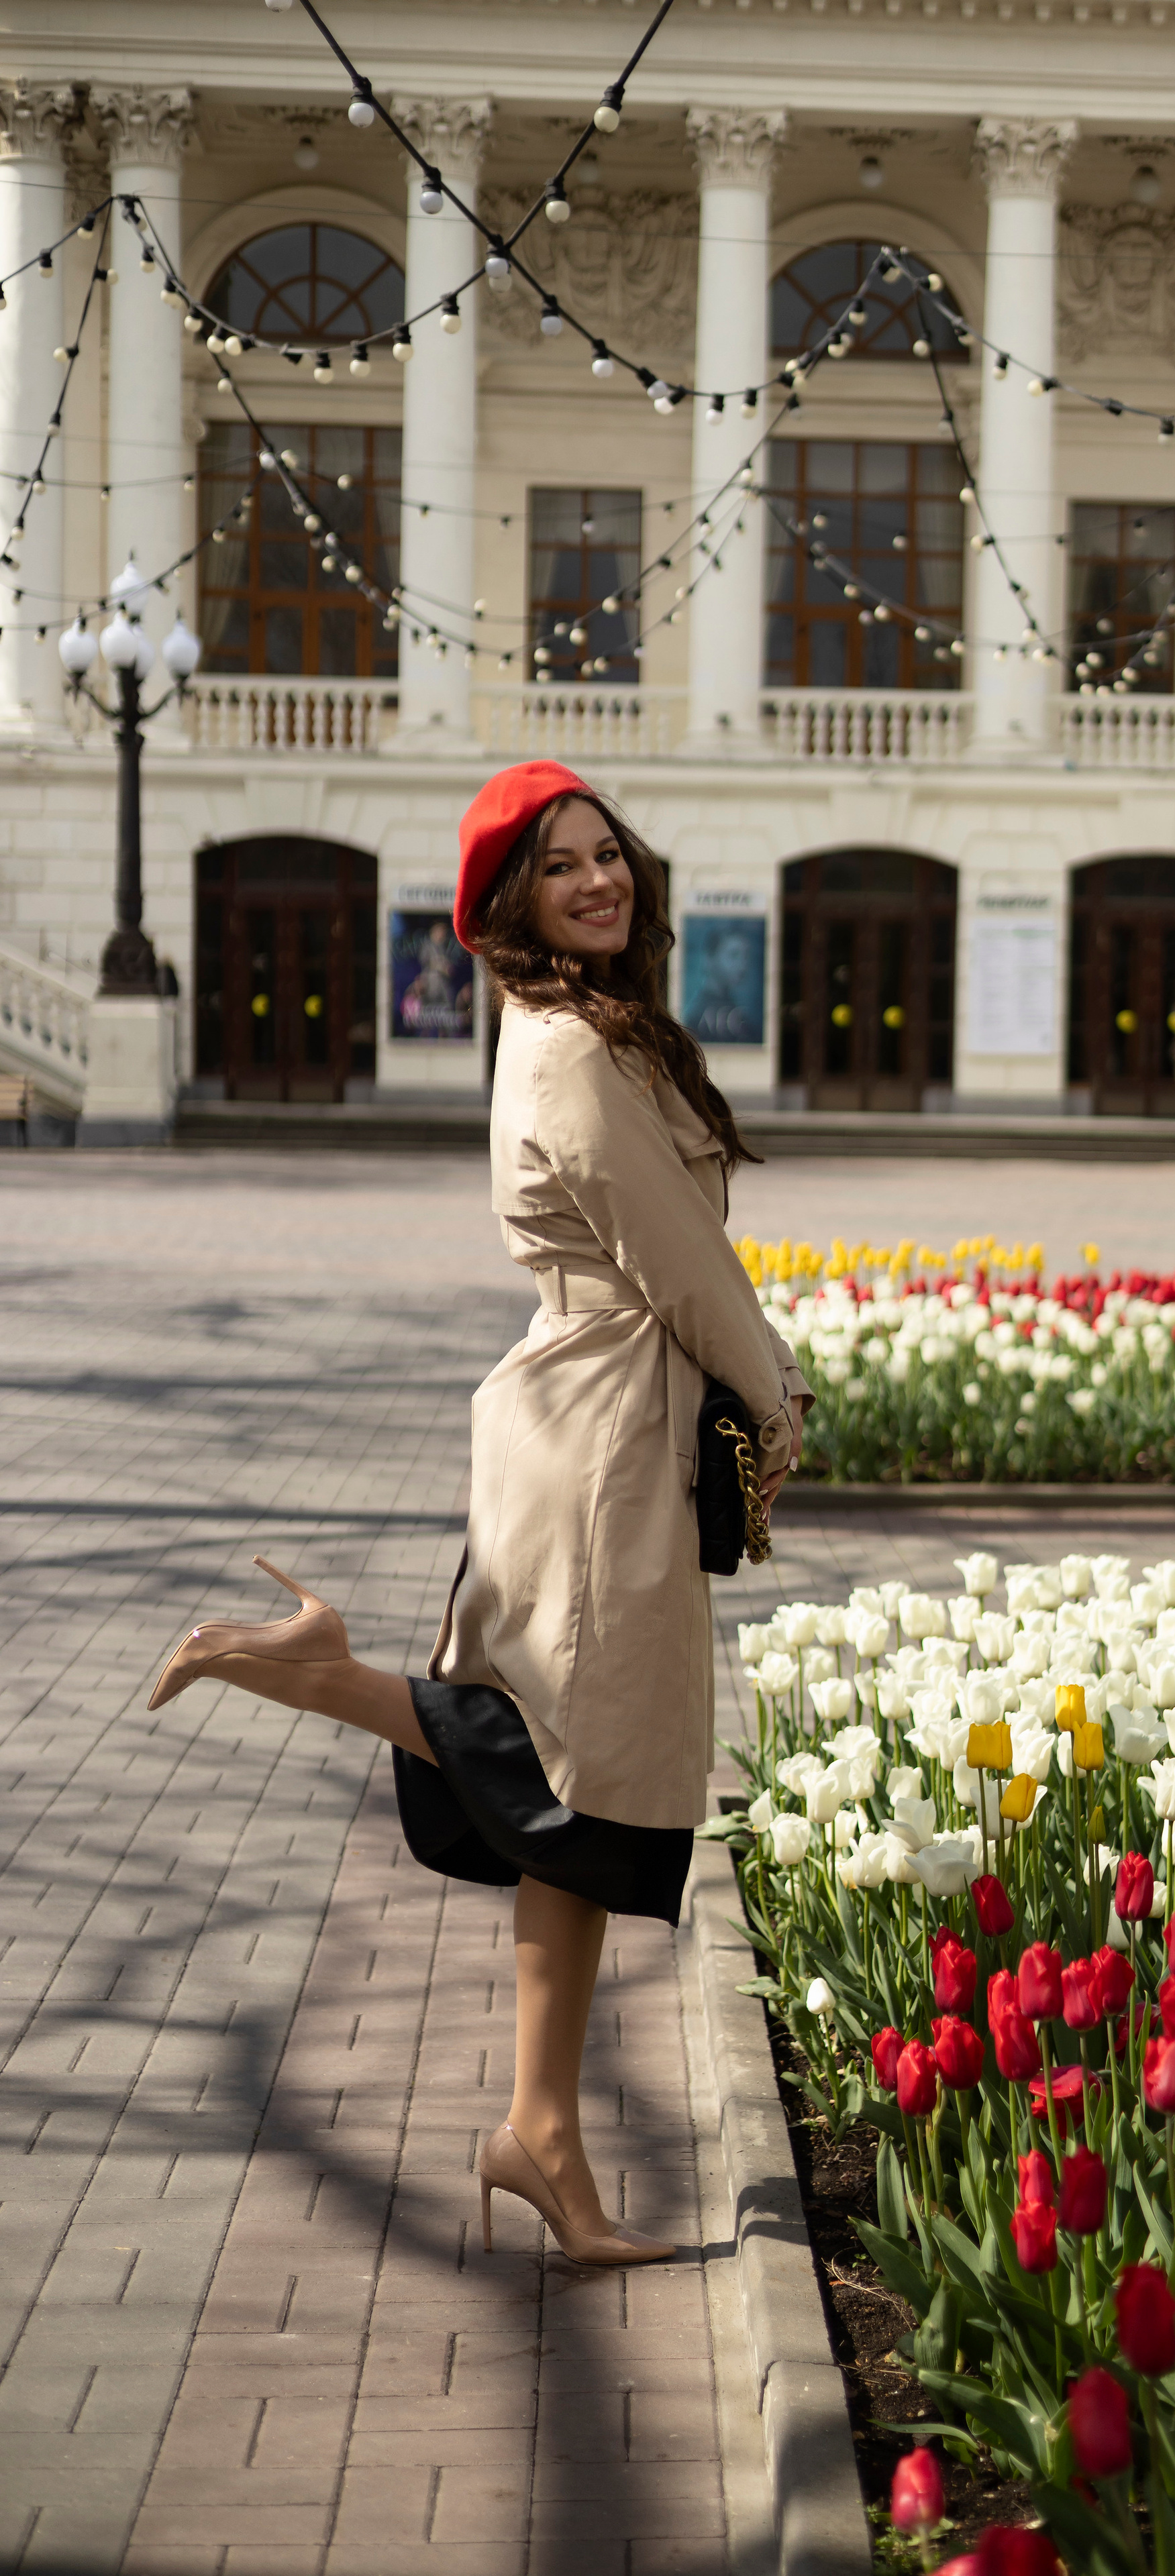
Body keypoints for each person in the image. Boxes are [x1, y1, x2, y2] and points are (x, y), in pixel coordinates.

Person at [148, 761, 809, 2269]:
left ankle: (541, 2134)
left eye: (608, 856)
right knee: (568, 1766)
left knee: (572, 1805)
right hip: (598, 1433)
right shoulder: (572, 1044)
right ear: (510, 903)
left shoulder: (582, 1026)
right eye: (559, 866)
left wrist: (748, 1381)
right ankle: (314, 1671)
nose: (597, 881)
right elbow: (677, 1263)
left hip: (599, 1415)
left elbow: (673, 1254)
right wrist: (772, 1394)